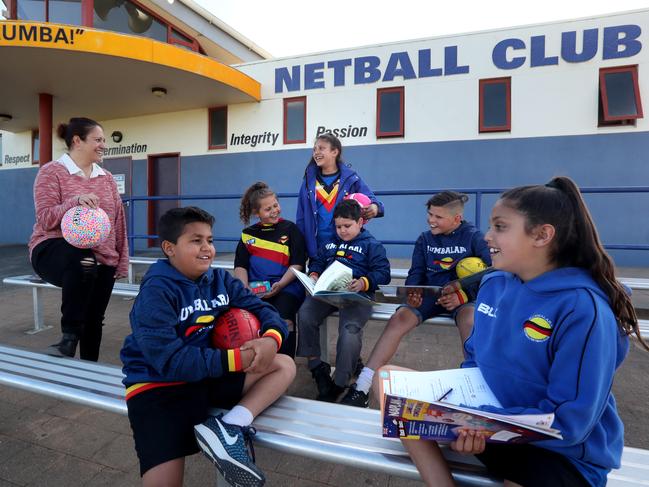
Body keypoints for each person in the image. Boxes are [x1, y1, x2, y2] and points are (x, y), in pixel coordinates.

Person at [381, 177, 649, 487]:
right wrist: (460, 417)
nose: (488, 236)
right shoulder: (495, 283)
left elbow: (570, 423)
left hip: (555, 450)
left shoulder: (583, 308)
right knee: (388, 382)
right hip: (490, 425)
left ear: (542, 235)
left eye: (500, 227)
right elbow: (475, 361)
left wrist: (478, 422)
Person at [121, 206, 296, 487]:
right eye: (196, 240)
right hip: (158, 389)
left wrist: (270, 339)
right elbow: (171, 361)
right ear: (169, 248)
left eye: (210, 240)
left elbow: (263, 310)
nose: (207, 249)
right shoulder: (156, 291)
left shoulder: (221, 281)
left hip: (206, 376)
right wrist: (238, 359)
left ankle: (230, 427)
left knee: (284, 364)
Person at [341, 191, 490, 407]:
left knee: (471, 321)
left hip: (462, 298)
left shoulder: (474, 236)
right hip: (430, 296)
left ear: (457, 218)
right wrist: (413, 292)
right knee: (398, 318)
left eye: (438, 217)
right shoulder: (425, 238)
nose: (431, 220)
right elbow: (416, 273)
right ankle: (362, 387)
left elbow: (492, 271)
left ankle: (475, 388)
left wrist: (464, 293)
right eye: (430, 214)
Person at [28, 117, 128, 361]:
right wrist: (75, 201)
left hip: (100, 258)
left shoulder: (106, 178)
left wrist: (121, 260)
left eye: (104, 140)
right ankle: (68, 337)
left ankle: (89, 368)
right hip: (52, 251)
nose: (103, 144)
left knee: (94, 319)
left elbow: (118, 221)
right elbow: (45, 219)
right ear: (77, 141)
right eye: (98, 139)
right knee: (82, 256)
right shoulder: (52, 172)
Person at [297, 199, 390, 402]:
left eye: (347, 226)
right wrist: (314, 273)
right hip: (328, 294)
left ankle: (339, 383)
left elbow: (383, 273)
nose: (342, 231)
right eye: (338, 226)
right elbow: (318, 260)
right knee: (305, 313)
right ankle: (317, 367)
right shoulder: (330, 242)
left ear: (360, 222)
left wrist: (365, 282)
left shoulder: (371, 245)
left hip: (357, 297)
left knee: (349, 332)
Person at [234, 181, 307, 357]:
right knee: (247, 320)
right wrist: (245, 288)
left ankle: (285, 361)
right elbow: (240, 266)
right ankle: (259, 359)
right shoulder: (248, 235)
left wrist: (281, 285)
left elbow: (297, 263)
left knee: (284, 319)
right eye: (268, 209)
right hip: (255, 290)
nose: (274, 210)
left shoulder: (290, 229)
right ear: (255, 212)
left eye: (275, 205)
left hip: (286, 287)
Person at [296, 133, 384, 260]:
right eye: (314, 149)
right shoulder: (308, 182)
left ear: (335, 152)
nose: (316, 152)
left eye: (321, 148)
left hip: (344, 248)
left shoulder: (351, 178)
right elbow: (301, 217)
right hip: (317, 250)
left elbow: (372, 199)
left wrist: (375, 208)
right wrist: (301, 247)